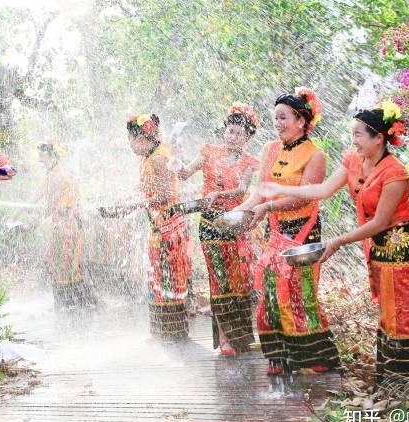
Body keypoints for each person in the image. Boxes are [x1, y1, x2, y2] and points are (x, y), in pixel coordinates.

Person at [260, 101, 409, 383]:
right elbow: (322, 189)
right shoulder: (354, 160)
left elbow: (380, 222)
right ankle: (391, 375)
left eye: (358, 135)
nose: (352, 140)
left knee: (400, 307)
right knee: (385, 306)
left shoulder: (395, 173)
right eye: (352, 134)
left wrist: (339, 241)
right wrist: (279, 188)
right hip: (376, 241)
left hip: (400, 243)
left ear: (378, 137)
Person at [233, 88, 340, 375]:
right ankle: (279, 357)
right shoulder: (269, 149)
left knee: (300, 293)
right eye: (275, 118)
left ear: (301, 121)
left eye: (283, 118)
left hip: (303, 232)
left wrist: (267, 208)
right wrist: (241, 211)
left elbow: (305, 196)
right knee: (271, 291)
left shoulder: (315, 155)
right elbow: (259, 191)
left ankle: (313, 357)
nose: (277, 123)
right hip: (276, 229)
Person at [178, 104, 260, 356]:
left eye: (238, 133)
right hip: (211, 224)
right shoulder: (208, 151)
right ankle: (225, 339)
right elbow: (185, 173)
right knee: (219, 279)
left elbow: (243, 190)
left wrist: (219, 194)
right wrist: (177, 163)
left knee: (241, 280)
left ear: (247, 138)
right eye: (229, 131)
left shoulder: (249, 161)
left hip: (236, 224)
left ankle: (243, 336)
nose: (232, 137)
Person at [127, 114, 192, 340]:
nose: (130, 144)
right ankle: (162, 332)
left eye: (131, 139)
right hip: (158, 226)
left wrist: (136, 204)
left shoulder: (159, 157)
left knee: (168, 278)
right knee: (158, 276)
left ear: (144, 137)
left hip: (169, 229)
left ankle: (172, 334)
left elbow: (166, 194)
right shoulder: (149, 156)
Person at [36, 141, 96, 310]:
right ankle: (77, 306)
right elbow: (36, 195)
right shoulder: (50, 175)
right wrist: (17, 215)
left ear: (53, 156)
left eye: (42, 156)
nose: (40, 160)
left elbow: (48, 207)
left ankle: (74, 306)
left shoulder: (59, 176)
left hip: (67, 227)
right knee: (64, 267)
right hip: (61, 226)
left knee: (69, 268)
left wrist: (31, 224)